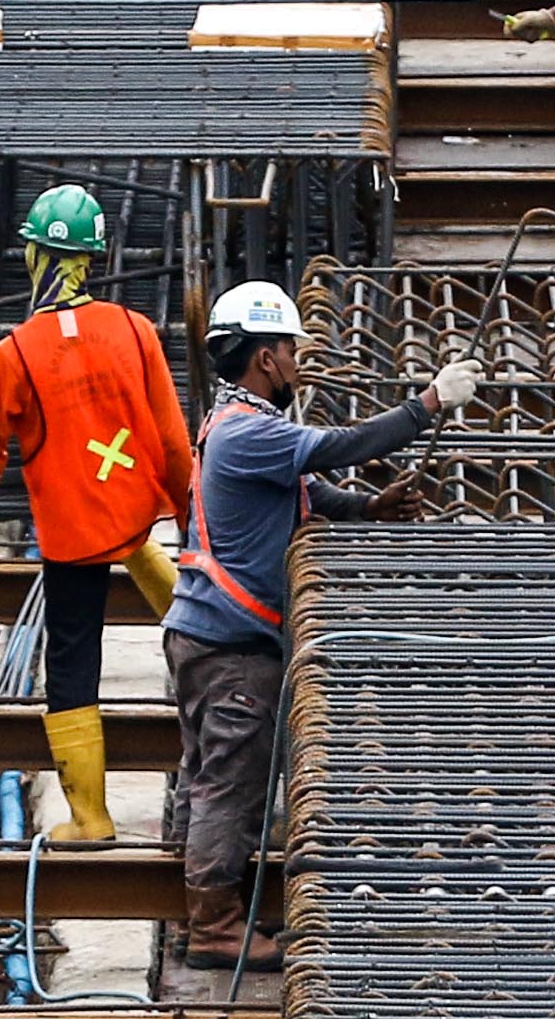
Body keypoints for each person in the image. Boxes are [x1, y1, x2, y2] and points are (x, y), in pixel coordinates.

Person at [161, 283, 471, 975]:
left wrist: (369, 507)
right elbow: (340, 446)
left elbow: (305, 493)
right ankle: (213, 925)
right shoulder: (250, 430)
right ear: (265, 357)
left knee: (208, 771)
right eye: (292, 350)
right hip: (231, 644)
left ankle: (205, 897)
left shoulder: (231, 424)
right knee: (229, 781)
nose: (299, 360)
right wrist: (429, 404)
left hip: (211, 635)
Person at [0, 181, 195, 847]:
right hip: (134, 516)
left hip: (72, 532)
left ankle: (90, 817)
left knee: (73, 660)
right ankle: (206, 645)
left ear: (35, 256)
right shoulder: (135, 331)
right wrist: (195, 516)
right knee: (175, 593)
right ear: (93, 258)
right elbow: (171, 439)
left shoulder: (13, 354)